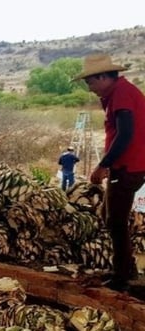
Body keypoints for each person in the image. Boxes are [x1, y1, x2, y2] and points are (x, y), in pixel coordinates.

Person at [75, 53, 145, 291]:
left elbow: (125, 135)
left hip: (128, 166)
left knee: (115, 220)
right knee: (110, 216)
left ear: (103, 77)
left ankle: (122, 275)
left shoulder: (122, 93)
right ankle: (125, 268)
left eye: (91, 82)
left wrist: (103, 164)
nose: (90, 88)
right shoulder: (119, 92)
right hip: (128, 165)